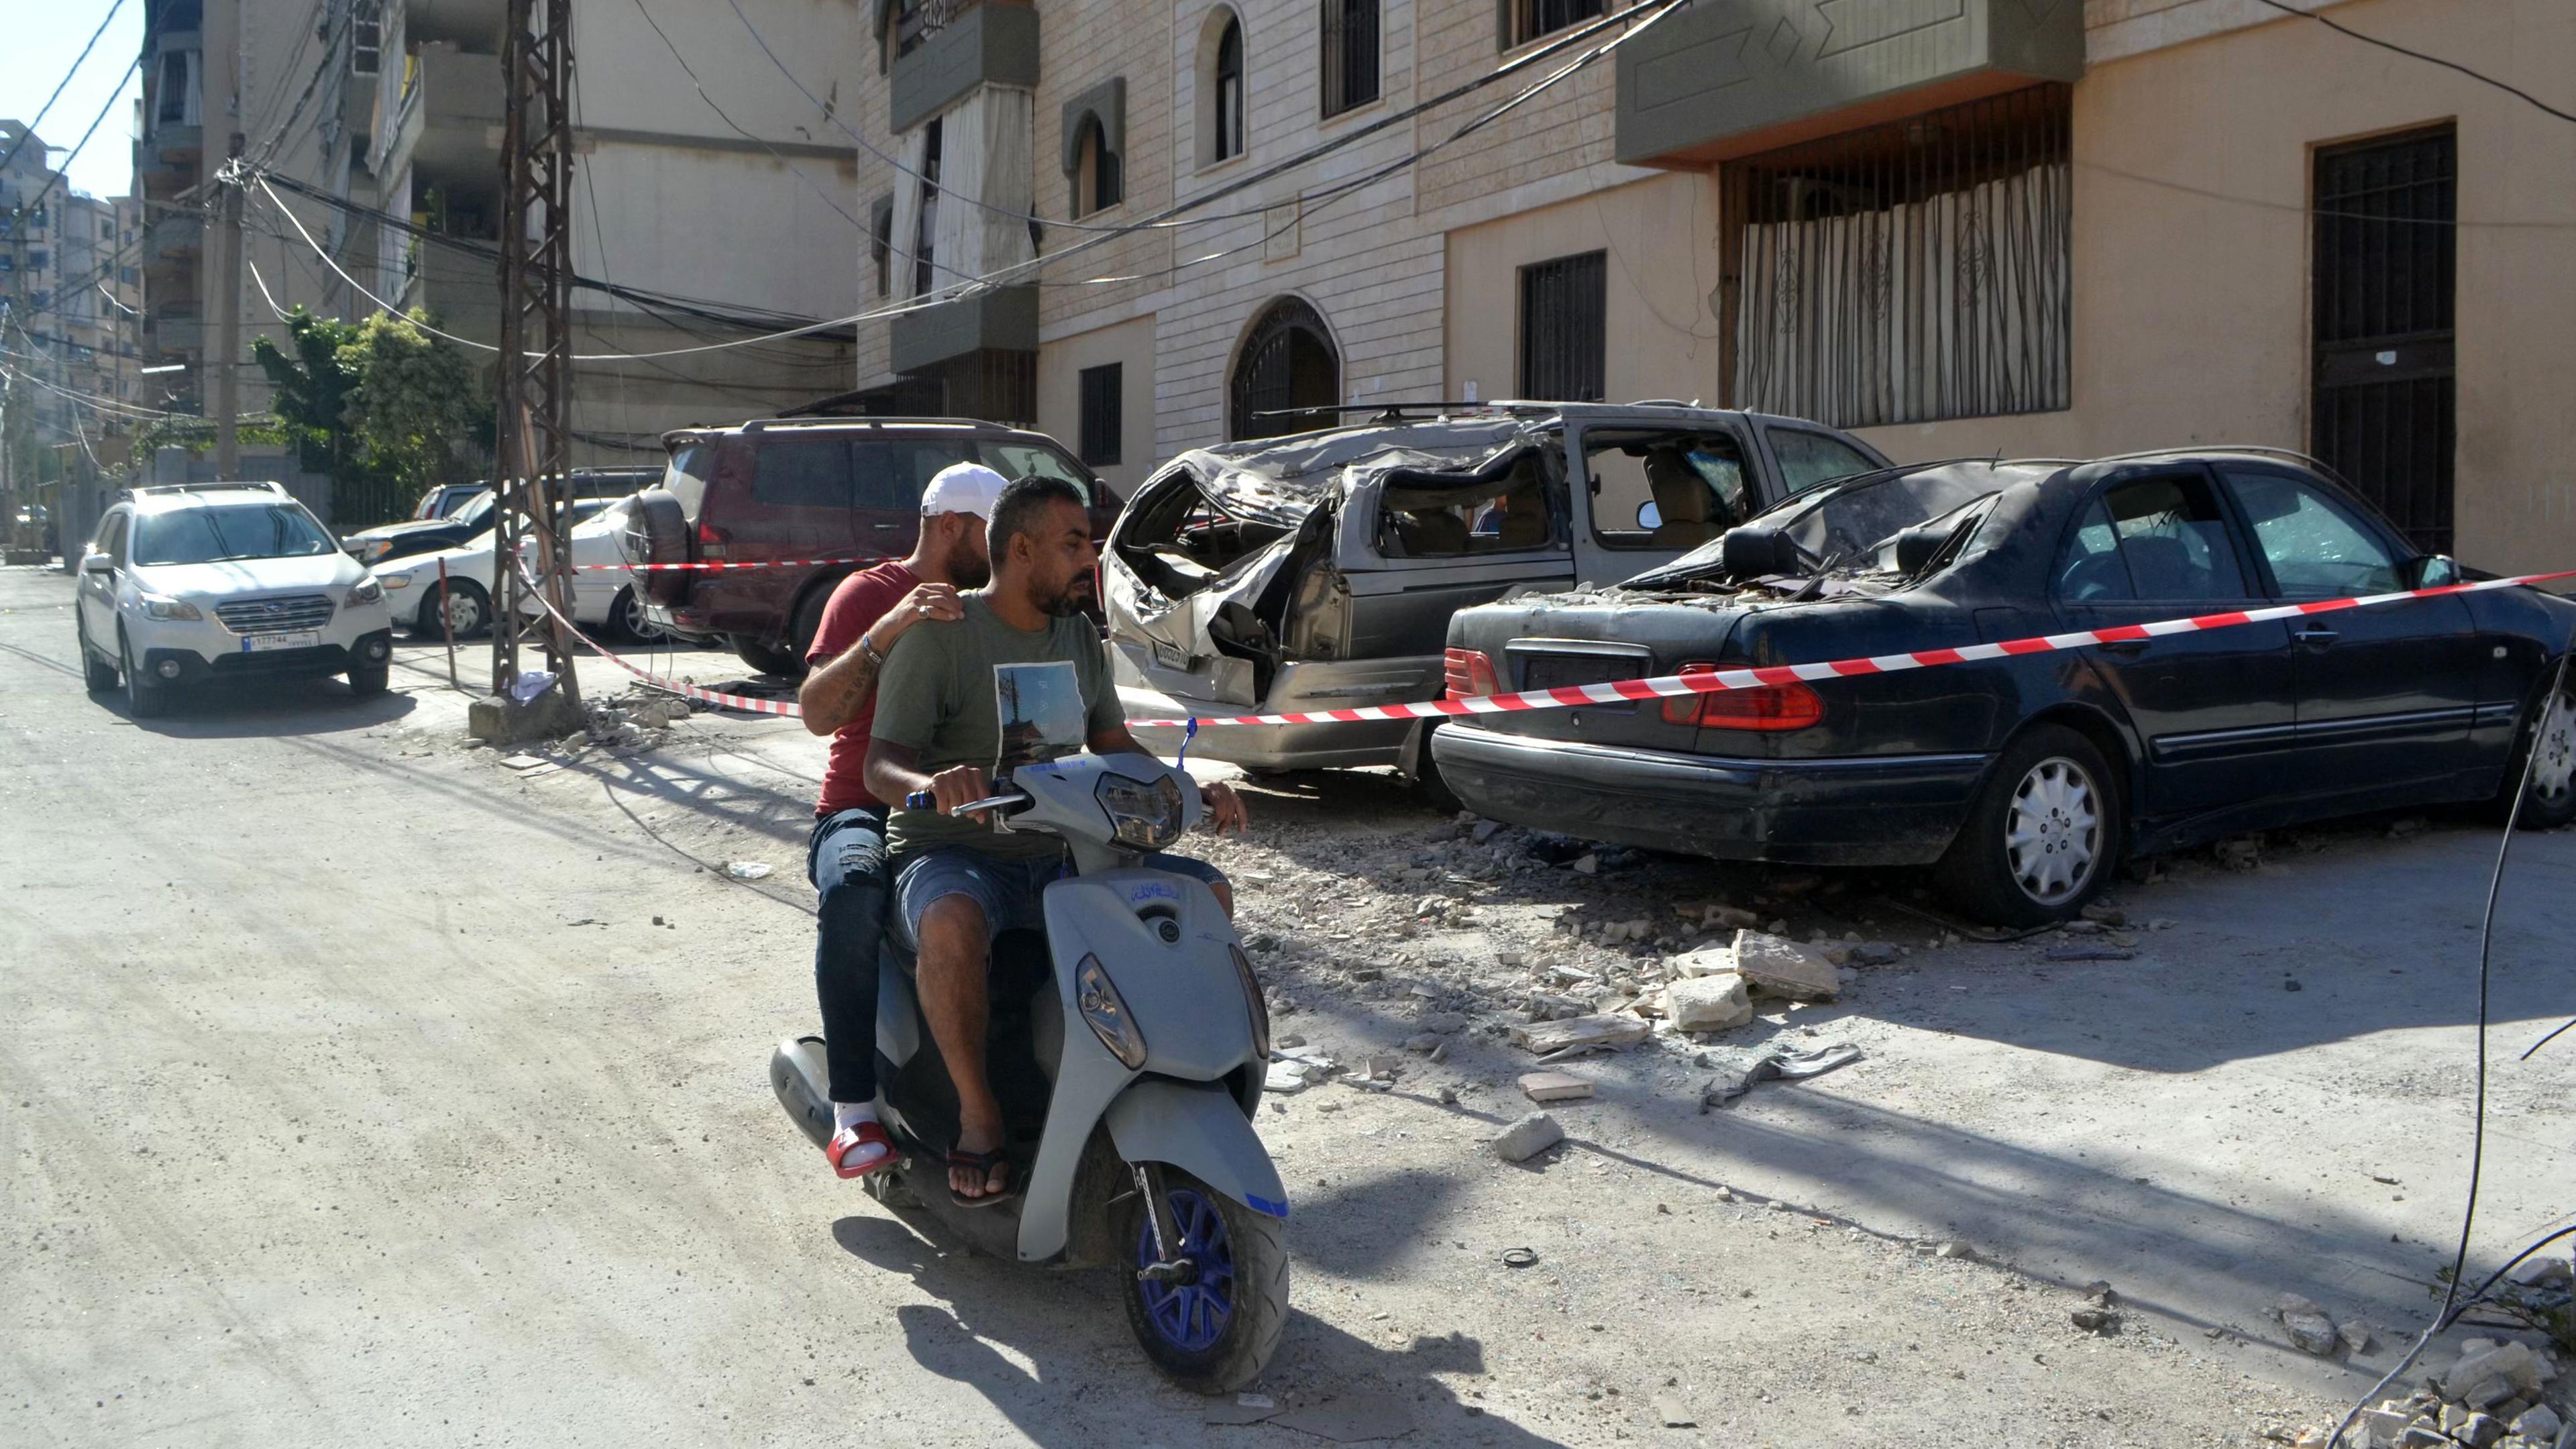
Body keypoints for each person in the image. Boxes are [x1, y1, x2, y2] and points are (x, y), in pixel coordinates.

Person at [865, 475, 1250, 1208]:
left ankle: (1160, 1078)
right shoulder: (941, 635)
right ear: (1020, 549)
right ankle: (980, 1115)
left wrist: (1192, 791)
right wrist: (935, 781)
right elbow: (878, 765)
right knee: (951, 921)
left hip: (1064, 852)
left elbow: (1113, 742)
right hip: (953, 853)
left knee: (1205, 895)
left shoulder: (1078, 637)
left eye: (1090, 542)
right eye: (1074, 543)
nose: (1090, 558)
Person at [796, 462, 1005, 1181]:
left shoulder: (996, 604)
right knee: (855, 889)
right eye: (994, 531)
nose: (1007, 547)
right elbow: (817, 714)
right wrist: (892, 625)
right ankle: (852, 1107)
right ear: (953, 528)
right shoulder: (869, 594)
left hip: (962, 808)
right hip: (861, 804)